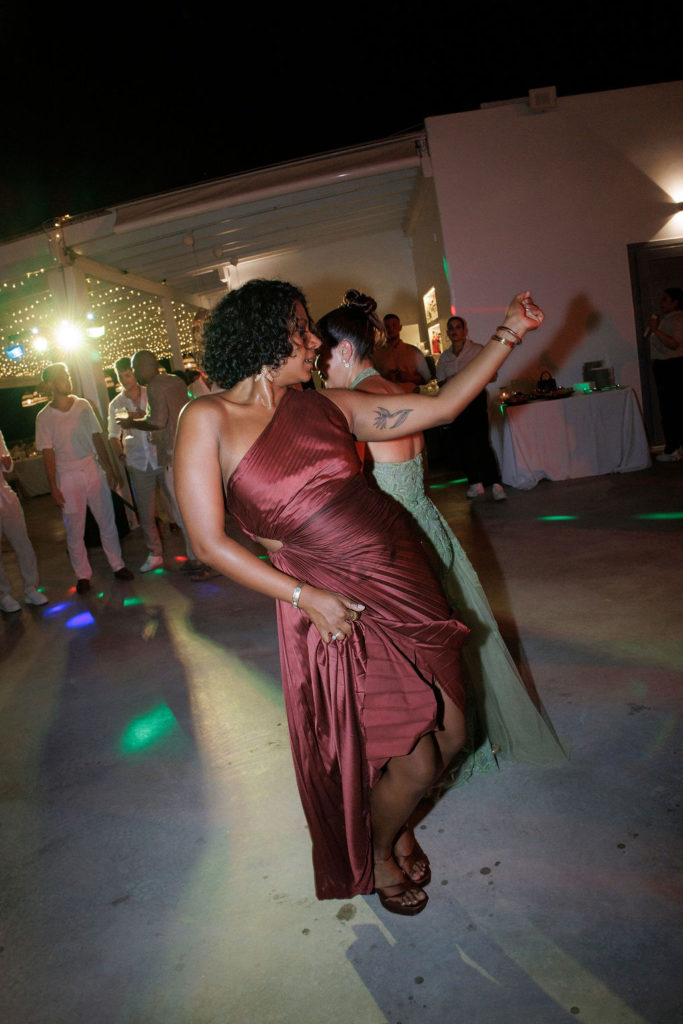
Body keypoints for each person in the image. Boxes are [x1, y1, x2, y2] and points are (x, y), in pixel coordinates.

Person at [174, 279, 544, 915]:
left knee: (453, 732)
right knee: (413, 756)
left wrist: (511, 331)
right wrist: (304, 596)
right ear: (264, 337)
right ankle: (376, 850)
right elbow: (208, 543)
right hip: (332, 601)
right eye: (300, 329)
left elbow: (443, 405)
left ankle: (395, 823)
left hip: (404, 577)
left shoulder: (328, 407)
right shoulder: (207, 419)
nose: (314, 343)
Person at [316, 289, 565, 786]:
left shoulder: (347, 402)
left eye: (321, 357)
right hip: (429, 523)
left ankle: (426, 753)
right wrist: (511, 330)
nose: (319, 371)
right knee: (448, 639)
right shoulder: (395, 391)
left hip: (394, 542)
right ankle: (462, 737)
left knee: (413, 654)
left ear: (343, 351)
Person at [35, 363, 134, 594]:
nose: (67, 380)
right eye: (62, 377)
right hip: (67, 474)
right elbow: (47, 453)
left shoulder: (83, 405)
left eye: (68, 375)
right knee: (74, 528)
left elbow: (97, 437)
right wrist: (53, 486)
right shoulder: (44, 416)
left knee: (106, 520)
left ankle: (117, 565)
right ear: (50, 384)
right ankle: (82, 575)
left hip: (91, 468)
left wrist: (109, 468)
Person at [115, 350, 211, 579]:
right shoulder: (175, 380)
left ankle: (201, 561)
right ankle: (196, 557)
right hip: (189, 448)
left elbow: (157, 422)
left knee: (182, 511)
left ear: (147, 366)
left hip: (173, 454)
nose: (135, 374)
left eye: (136, 369)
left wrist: (132, 422)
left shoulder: (155, 386)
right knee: (190, 508)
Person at [437, 315, 506, 500]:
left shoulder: (476, 350)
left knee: (481, 442)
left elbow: (492, 374)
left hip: (475, 400)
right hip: (455, 403)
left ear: (465, 330)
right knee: (462, 444)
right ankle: (475, 484)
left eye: (458, 327)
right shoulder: (444, 357)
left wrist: (471, 377)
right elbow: (440, 382)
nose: (454, 331)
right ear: (447, 333)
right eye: (451, 328)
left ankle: (495, 484)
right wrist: (449, 380)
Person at [108, 357, 164, 573]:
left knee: (178, 504)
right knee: (145, 512)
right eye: (120, 376)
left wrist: (141, 416)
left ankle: (194, 550)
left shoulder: (151, 393)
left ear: (134, 373)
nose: (125, 380)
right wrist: (120, 455)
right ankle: (155, 553)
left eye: (127, 375)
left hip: (161, 456)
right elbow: (113, 435)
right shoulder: (116, 404)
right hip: (138, 461)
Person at [0, 428, 49, 612]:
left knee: (23, 543)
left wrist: (6, 461)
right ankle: (3, 595)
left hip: (4, 493)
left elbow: (8, 465)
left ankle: (30, 588)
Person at [648, 287, 683, 462]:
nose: (661, 303)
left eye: (665, 300)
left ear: (675, 303)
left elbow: (674, 344)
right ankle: (677, 446)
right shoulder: (670, 318)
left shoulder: (677, 319)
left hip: (671, 367)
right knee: (674, 408)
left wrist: (655, 330)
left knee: (670, 409)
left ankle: (672, 449)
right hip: (668, 366)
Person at [373, 313, 431, 392]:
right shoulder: (377, 354)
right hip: (387, 396)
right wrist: (386, 378)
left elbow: (426, 379)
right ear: (383, 329)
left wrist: (410, 377)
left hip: (411, 395)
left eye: (394, 325)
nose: (391, 329)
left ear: (400, 327)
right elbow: (371, 380)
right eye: (387, 327)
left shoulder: (414, 352)